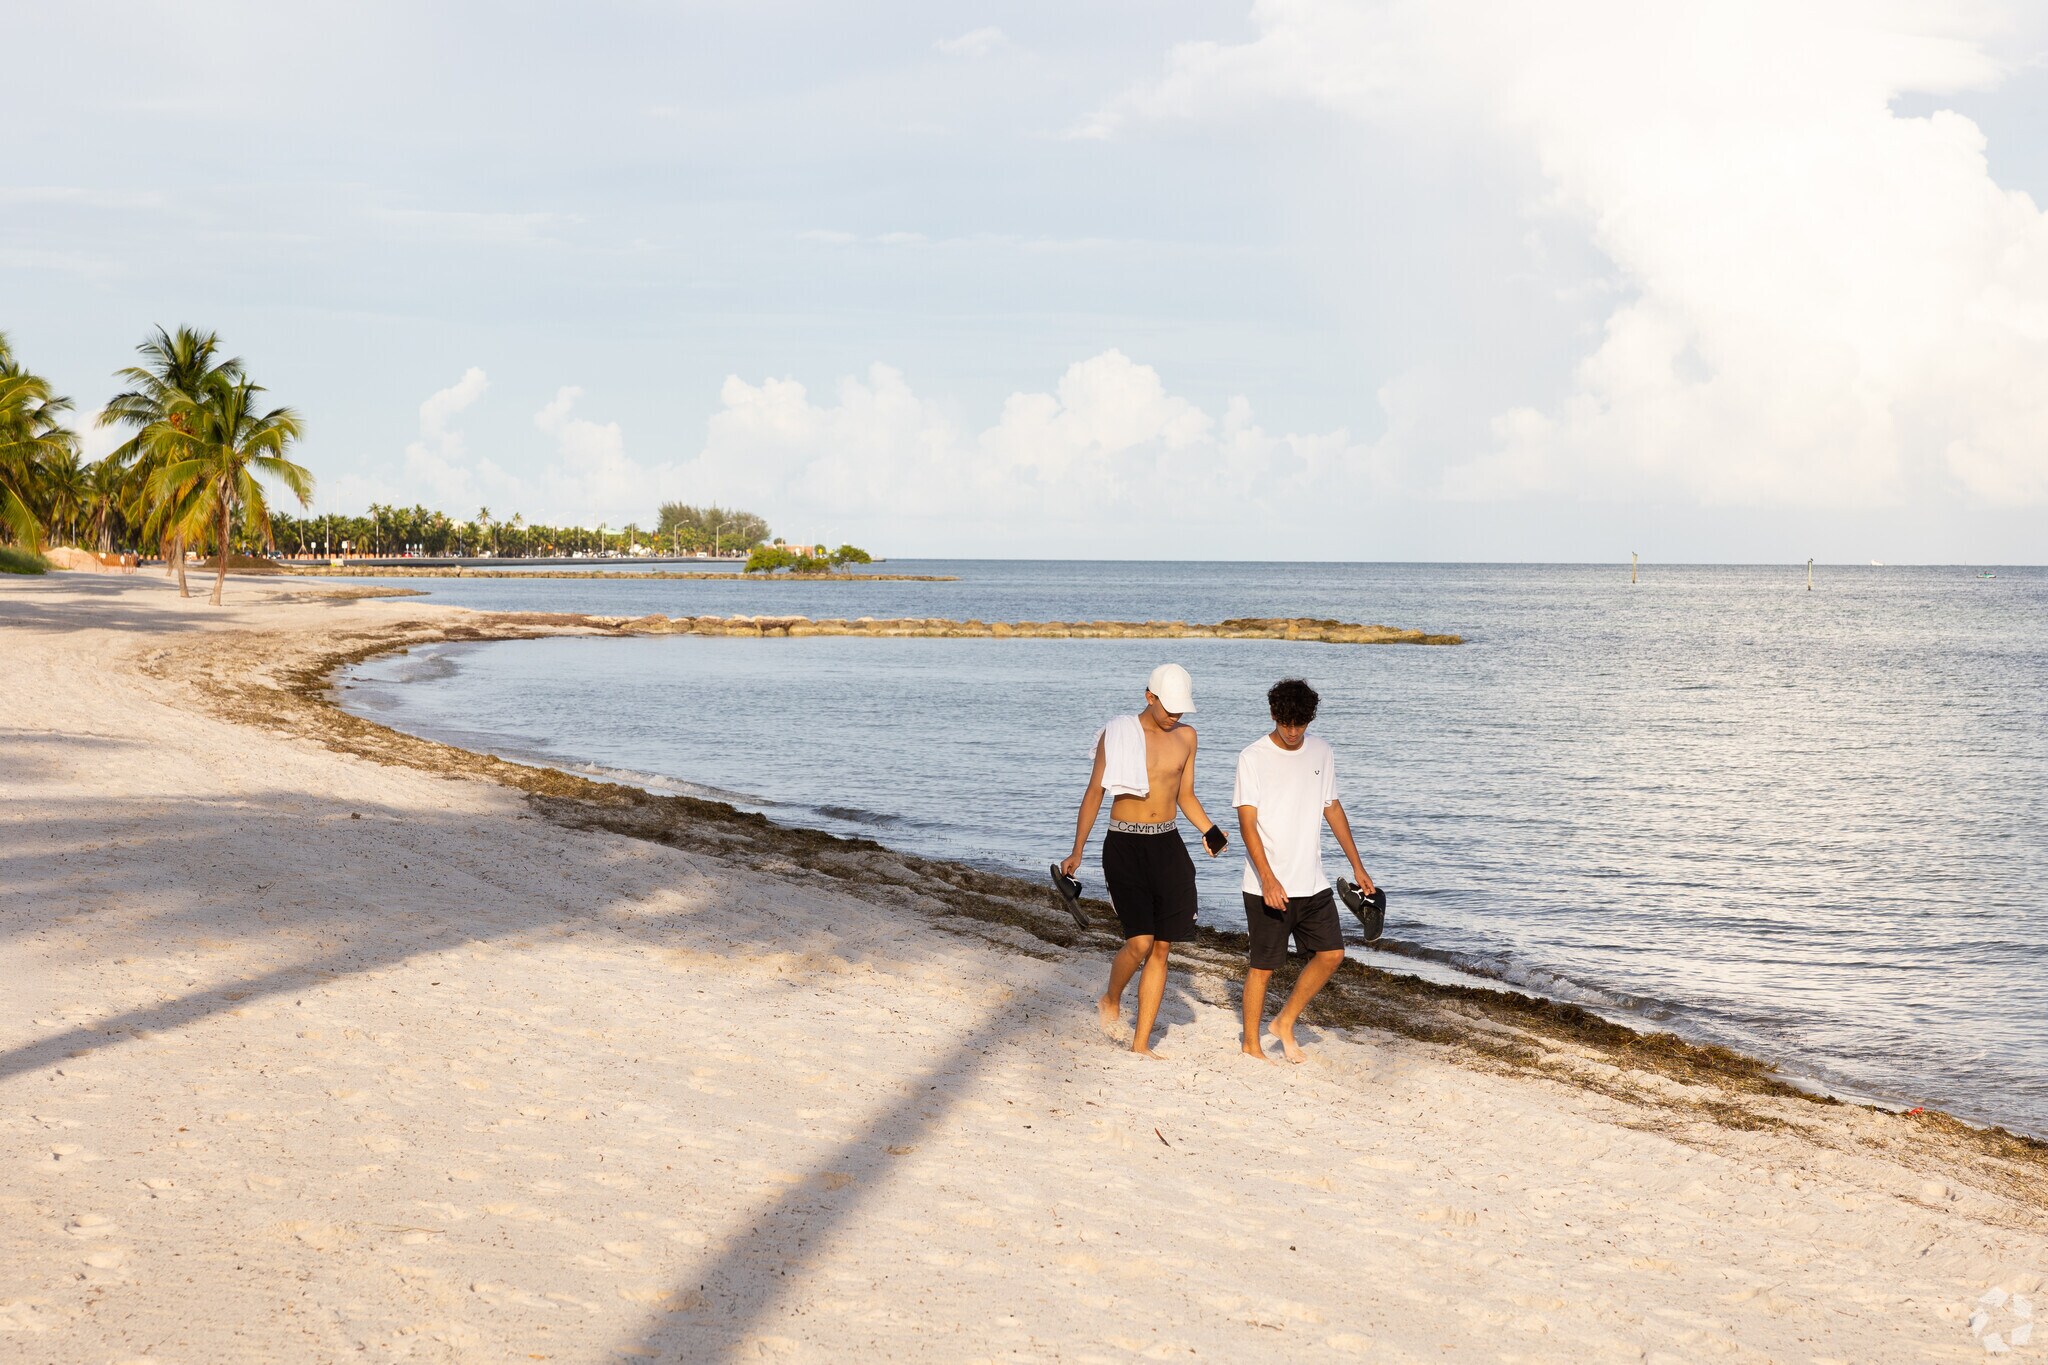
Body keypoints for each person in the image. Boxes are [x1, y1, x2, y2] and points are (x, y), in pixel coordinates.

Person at [1061, 663, 1229, 1057]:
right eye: (1169, 707)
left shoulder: (1187, 737)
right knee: (1139, 942)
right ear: (1149, 696)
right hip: (1124, 845)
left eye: (1181, 709)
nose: (1175, 715)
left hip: (1168, 846)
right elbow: (1094, 793)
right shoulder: (1117, 733)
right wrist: (1077, 849)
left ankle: (1141, 1045)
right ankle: (1111, 998)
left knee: (1162, 947)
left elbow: (1185, 794)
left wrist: (1210, 831)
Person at [1234, 677, 1376, 1063]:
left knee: (1332, 953)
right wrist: (1267, 877)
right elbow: (1247, 823)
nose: (1294, 732)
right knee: (1263, 968)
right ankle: (1251, 1043)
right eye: (1287, 724)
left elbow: (1331, 807)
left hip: (1311, 881)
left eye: (1301, 724)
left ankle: (1284, 1021)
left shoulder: (1321, 752)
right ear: (1273, 715)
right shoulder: (1253, 757)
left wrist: (1357, 865)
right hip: (1267, 883)